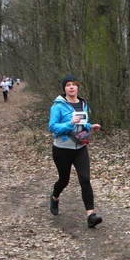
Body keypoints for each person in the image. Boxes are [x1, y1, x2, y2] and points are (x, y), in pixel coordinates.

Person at [48, 74, 103, 228]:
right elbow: (52, 127)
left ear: (78, 87)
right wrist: (69, 123)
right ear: (64, 89)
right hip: (62, 149)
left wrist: (90, 127)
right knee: (64, 180)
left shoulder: (83, 103)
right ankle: (54, 197)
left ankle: (91, 215)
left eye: (74, 84)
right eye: (68, 85)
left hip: (80, 148)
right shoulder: (57, 106)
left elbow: (83, 122)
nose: (71, 87)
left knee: (85, 179)